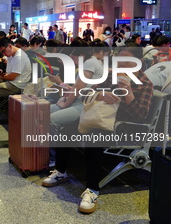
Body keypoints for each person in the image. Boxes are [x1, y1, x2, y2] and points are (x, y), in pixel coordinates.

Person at [43, 43, 153, 214]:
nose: (122, 66)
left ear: (138, 61)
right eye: (119, 62)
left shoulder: (145, 84)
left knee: (94, 137)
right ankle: (61, 171)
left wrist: (129, 93)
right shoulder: (110, 76)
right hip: (101, 118)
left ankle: (92, 189)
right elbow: (87, 93)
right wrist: (100, 94)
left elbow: (140, 117)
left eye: (127, 62)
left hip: (124, 127)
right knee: (66, 130)